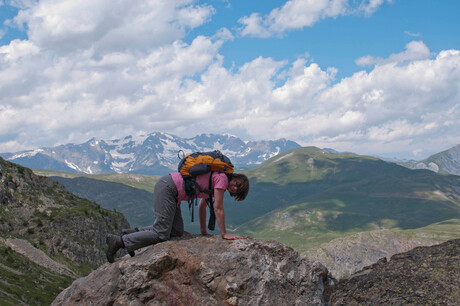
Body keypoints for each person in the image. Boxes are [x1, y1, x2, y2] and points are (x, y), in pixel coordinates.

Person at [106, 171, 250, 263]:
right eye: (237, 184)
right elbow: (218, 208)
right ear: (234, 177)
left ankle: (134, 233)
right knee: (161, 233)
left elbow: (202, 206)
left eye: (239, 190)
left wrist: (203, 232)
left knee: (176, 232)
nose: (235, 188)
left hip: (171, 190)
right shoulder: (222, 179)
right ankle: (119, 242)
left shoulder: (217, 179)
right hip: (169, 189)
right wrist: (224, 234)